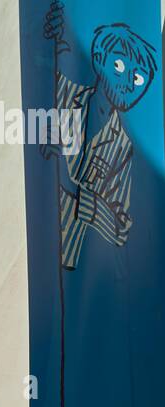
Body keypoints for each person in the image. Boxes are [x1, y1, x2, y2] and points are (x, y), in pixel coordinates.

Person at [41, 1, 159, 269]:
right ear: (98, 59)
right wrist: (50, 36)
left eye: (139, 79)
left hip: (72, 269)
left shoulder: (124, 148)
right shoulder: (61, 92)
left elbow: (120, 228)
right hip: (36, 253)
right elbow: (40, 68)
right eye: (119, 65)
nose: (128, 82)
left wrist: (76, 192)